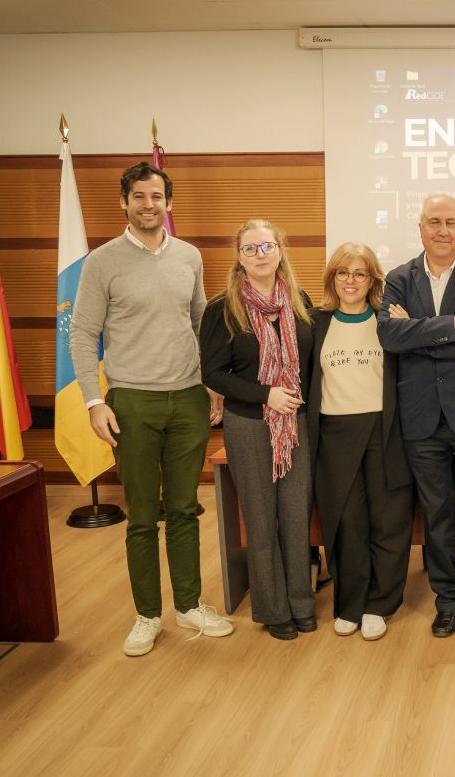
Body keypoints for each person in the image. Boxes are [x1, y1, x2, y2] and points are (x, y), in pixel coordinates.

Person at [69, 161, 233, 657]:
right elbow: (82, 333)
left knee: (184, 509)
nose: (148, 205)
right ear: (124, 202)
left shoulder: (189, 255)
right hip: (131, 402)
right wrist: (94, 401)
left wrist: (212, 383)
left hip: (188, 398)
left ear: (168, 202)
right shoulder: (102, 262)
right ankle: (147, 615)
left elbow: (200, 319)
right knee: (142, 515)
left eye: (156, 196)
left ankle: (189, 604)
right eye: (138, 196)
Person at [376, 194, 455, 638]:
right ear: (420, 228)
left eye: (451, 222)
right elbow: (389, 336)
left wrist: (418, 329)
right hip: (421, 418)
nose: (443, 230)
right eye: (434, 221)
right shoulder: (398, 278)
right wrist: (453, 324)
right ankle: (447, 600)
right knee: (436, 515)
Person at [200, 219, 315, 641]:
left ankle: (301, 602)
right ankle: (273, 609)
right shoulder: (222, 308)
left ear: (280, 251)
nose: (260, 254)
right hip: (249, 424)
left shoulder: (299, 301)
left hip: (296, 425)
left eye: (267, 246)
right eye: (250, 249)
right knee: (262, 520)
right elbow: (212, 372)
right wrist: (267, 395)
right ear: (239, 257)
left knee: (296, 516)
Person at [308, 243, 415, 642]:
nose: (350, 281)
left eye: (360, 273)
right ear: (332, 278)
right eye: (343, 272)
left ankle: (380, 605)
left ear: (372, 280)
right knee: (346, 521)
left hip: (385, 430)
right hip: (334, 434)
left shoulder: (388, 320)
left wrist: (409, 327)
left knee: (388, 519)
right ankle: (350, 604)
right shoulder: (315, 323)